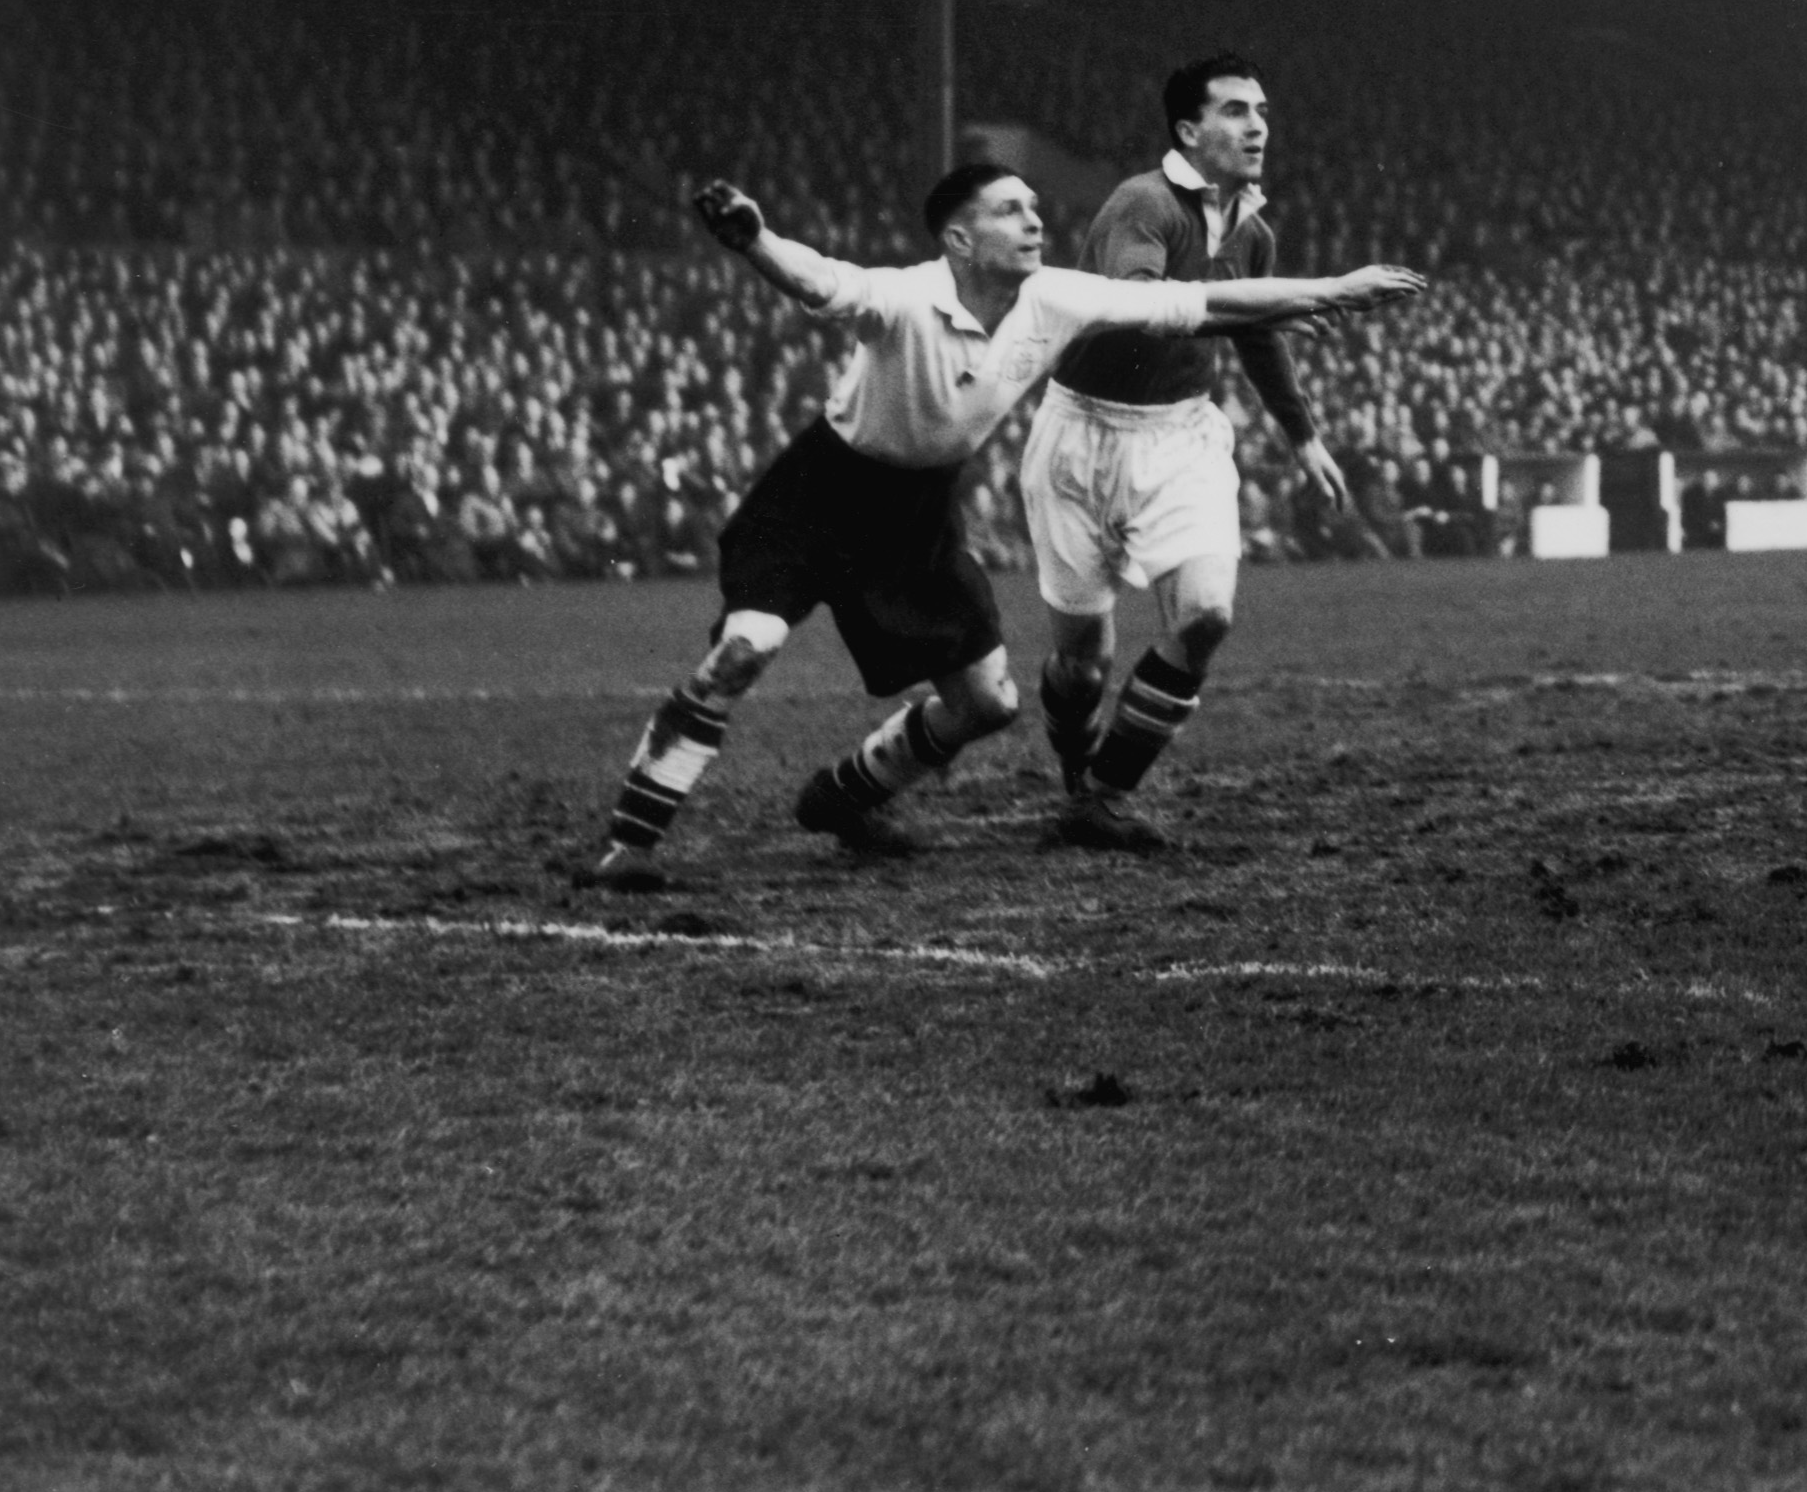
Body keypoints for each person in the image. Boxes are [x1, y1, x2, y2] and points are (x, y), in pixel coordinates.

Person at [588, 164, 1424, 887]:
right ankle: (629, 846)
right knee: (748, 646)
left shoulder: (1053, 296)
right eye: (1010, 210)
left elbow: (1196, 299)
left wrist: (1329, 291)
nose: (1034, 221)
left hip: (917, 516)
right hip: (816, 498)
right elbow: (820, 281)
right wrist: (755, 240)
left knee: (988, 703)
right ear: (960, 239)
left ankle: (843, 797)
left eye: (1034, 207)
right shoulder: (906, 297)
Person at [1029, 53, 1368, 849]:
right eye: (1236, 111)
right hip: (1083, 435)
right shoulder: (1143, 204)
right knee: (1081, 666)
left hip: (1182, 434)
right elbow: (1143, 308)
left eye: (1263, 111)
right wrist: (1271, 309)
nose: (1258, 126)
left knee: (1207, 614)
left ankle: (1103, 796)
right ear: (1189, 130)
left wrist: (1303, 435)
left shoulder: (1253, 230)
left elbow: (1257, 338)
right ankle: (1077, 768)